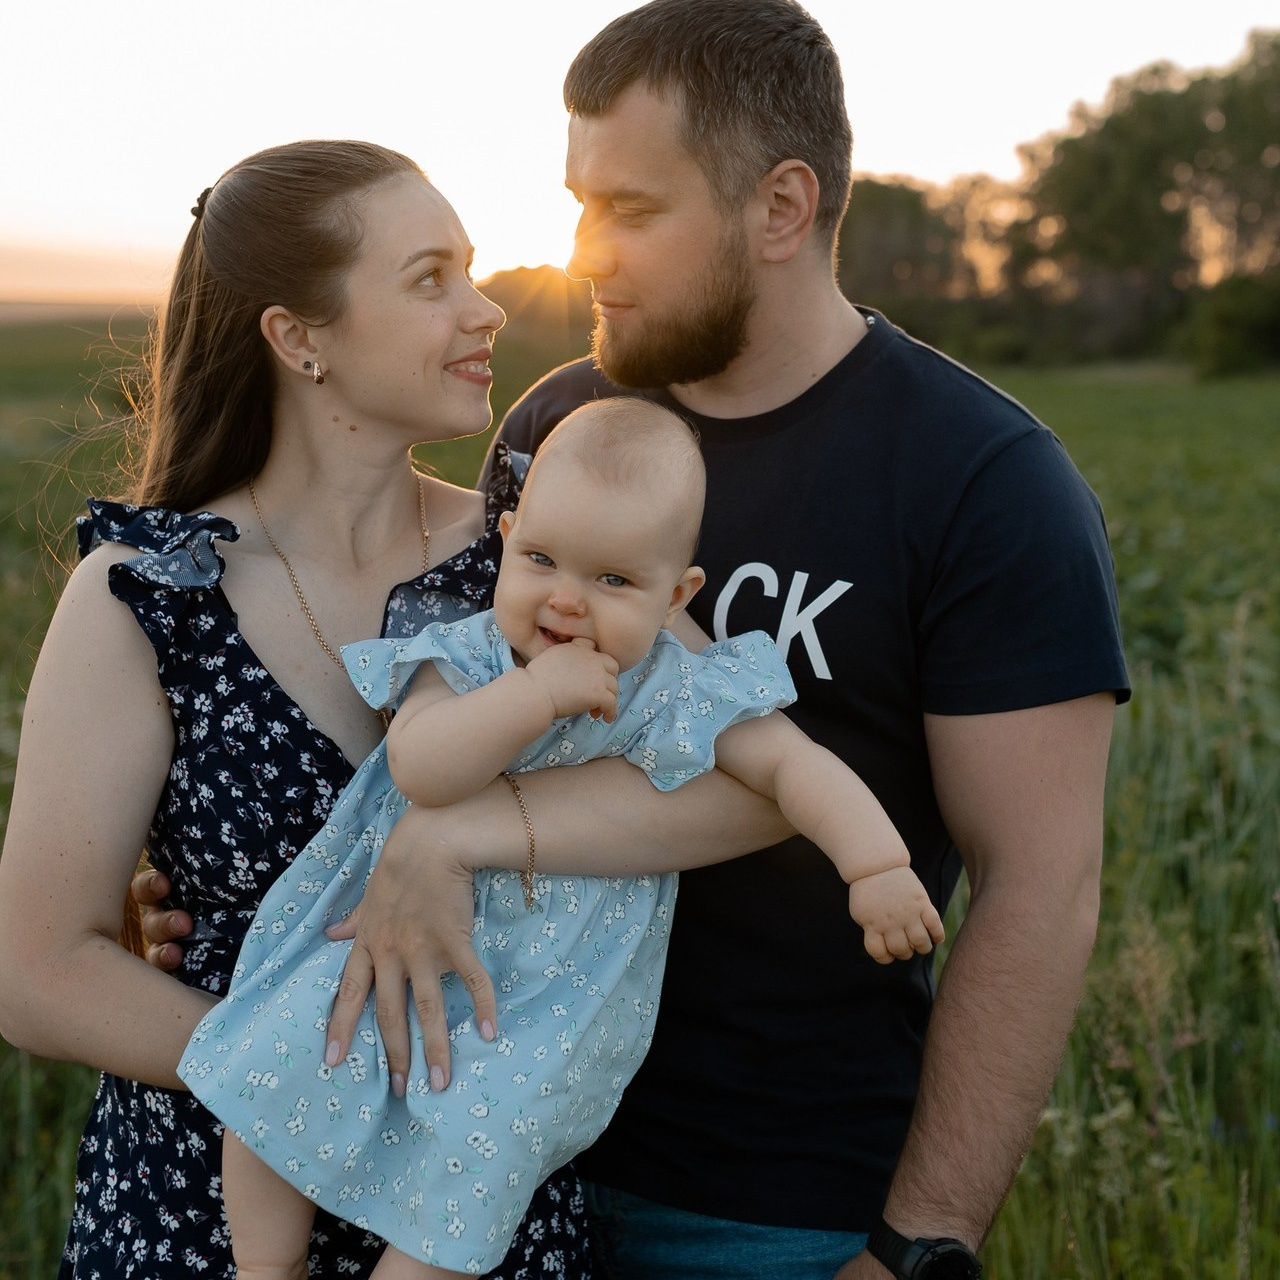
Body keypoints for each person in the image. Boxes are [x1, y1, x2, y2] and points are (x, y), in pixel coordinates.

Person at [277, 3, 1130, 1278]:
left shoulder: (983, 482)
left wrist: (916, 1239)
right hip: (482, 1145)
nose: (586, 251)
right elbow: (438, 684)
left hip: (768, 1205)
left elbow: (1038, 891)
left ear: (779, 207)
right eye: (580, 204)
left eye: (631, 208)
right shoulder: (558, 426)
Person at [0, 139, 604, 1279]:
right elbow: (37, 973)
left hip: (471, 1203)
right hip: (204, 1211)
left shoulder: (532, 554)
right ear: (297, 338)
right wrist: (323, 1075)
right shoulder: (149, 592)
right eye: (430, 279)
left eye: (471, 270)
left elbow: (729, 755)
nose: (484, 310)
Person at [185, 396, 945, 1280]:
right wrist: (534, 696)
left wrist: (876, 863)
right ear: (507, 539)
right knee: (283, 1064)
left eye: (613, 580)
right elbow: (422, 767)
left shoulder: (679, 688)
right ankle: (263, 1268)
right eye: (541, 559)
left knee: (484, 1146)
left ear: (677, 596)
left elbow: (791, 767)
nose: (566, 599)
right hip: (393, 937)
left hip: (546, 1001)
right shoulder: (465, 656)